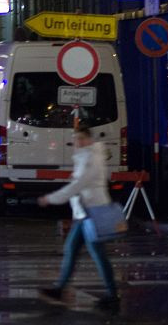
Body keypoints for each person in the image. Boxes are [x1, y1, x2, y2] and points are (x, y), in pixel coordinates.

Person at [37, 123, 120, 312]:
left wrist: (50, 198)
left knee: (95, 253)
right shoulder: (88, 157)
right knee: (73, 249)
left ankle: (112, 295)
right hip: (86, 212)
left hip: (92, 212)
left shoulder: (90, 159)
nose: (78, 142)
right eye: (76, 139)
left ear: (89, 139)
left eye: (81, 139)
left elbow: (78, 185)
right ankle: (60, 289)